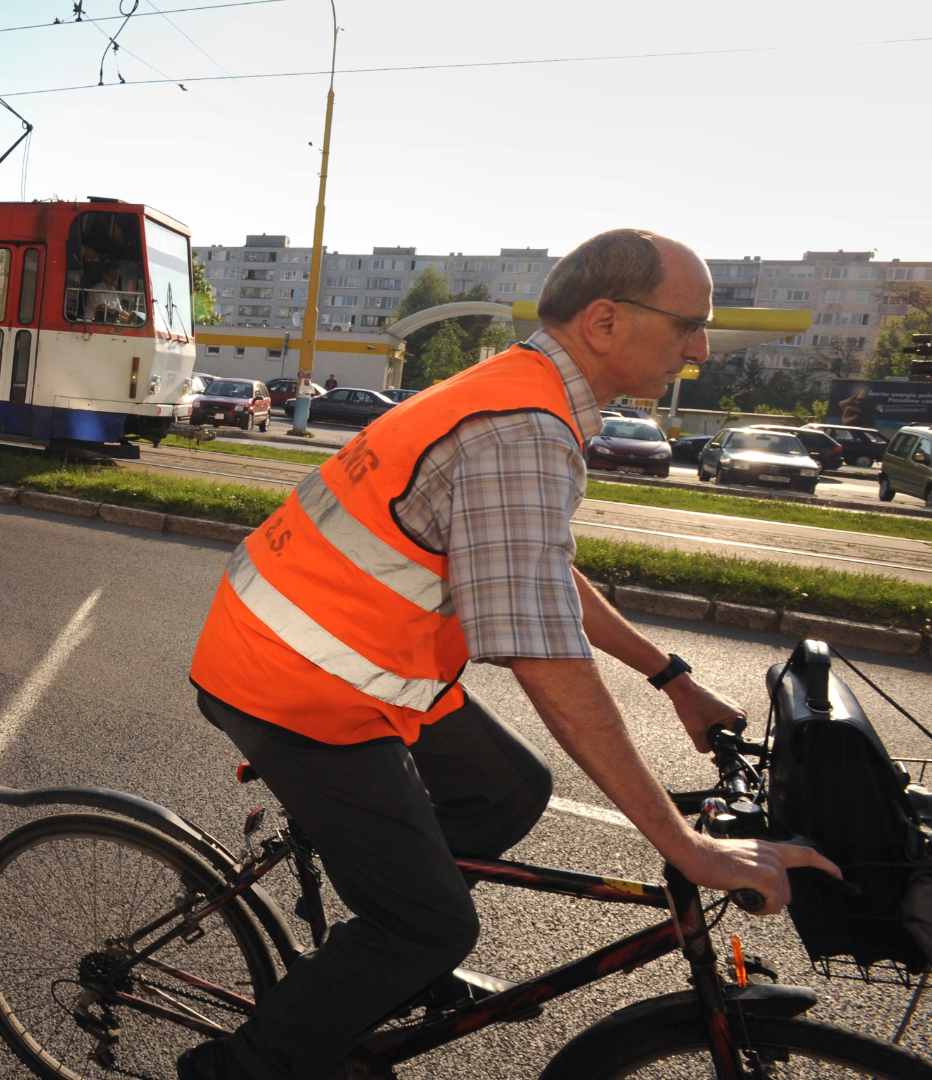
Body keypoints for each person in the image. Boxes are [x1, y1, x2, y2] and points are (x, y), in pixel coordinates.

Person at [179, 229, 841, 1080]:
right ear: (604, 321)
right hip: (293, 680)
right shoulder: (522, 426)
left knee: (510, 791)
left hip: (353, 659)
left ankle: (367, 961)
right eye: (688, 325)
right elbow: (546, 658)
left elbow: (541, 570)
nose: (700, 348)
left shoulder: (532, 395)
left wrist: (667, 677)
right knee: (431, 925)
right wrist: (688, 845)